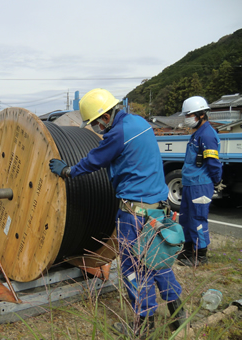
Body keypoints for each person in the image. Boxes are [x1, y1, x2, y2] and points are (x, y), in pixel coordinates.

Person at [49, 88, 185, 337]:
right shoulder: (139, 122)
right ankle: (179, 315)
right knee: (157, 261)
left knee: (134, 267)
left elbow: (93, 161)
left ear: (104, 117)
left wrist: (67, 171)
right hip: (156, 209)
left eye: (95, 123)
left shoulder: (118, 133)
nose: (97, 128)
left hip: (134, 214)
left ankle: (143, 327)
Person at [177, 96, 224, 267]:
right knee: (185, 219)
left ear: (201, 114)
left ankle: (200, 256)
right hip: (191, 183)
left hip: (200, 184)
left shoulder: (207, 135)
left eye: (189, 115)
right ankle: (187, 252)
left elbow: (213, 163)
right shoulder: (197, 134)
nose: (187, 119)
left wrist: (217, 180)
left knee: (197, 219)